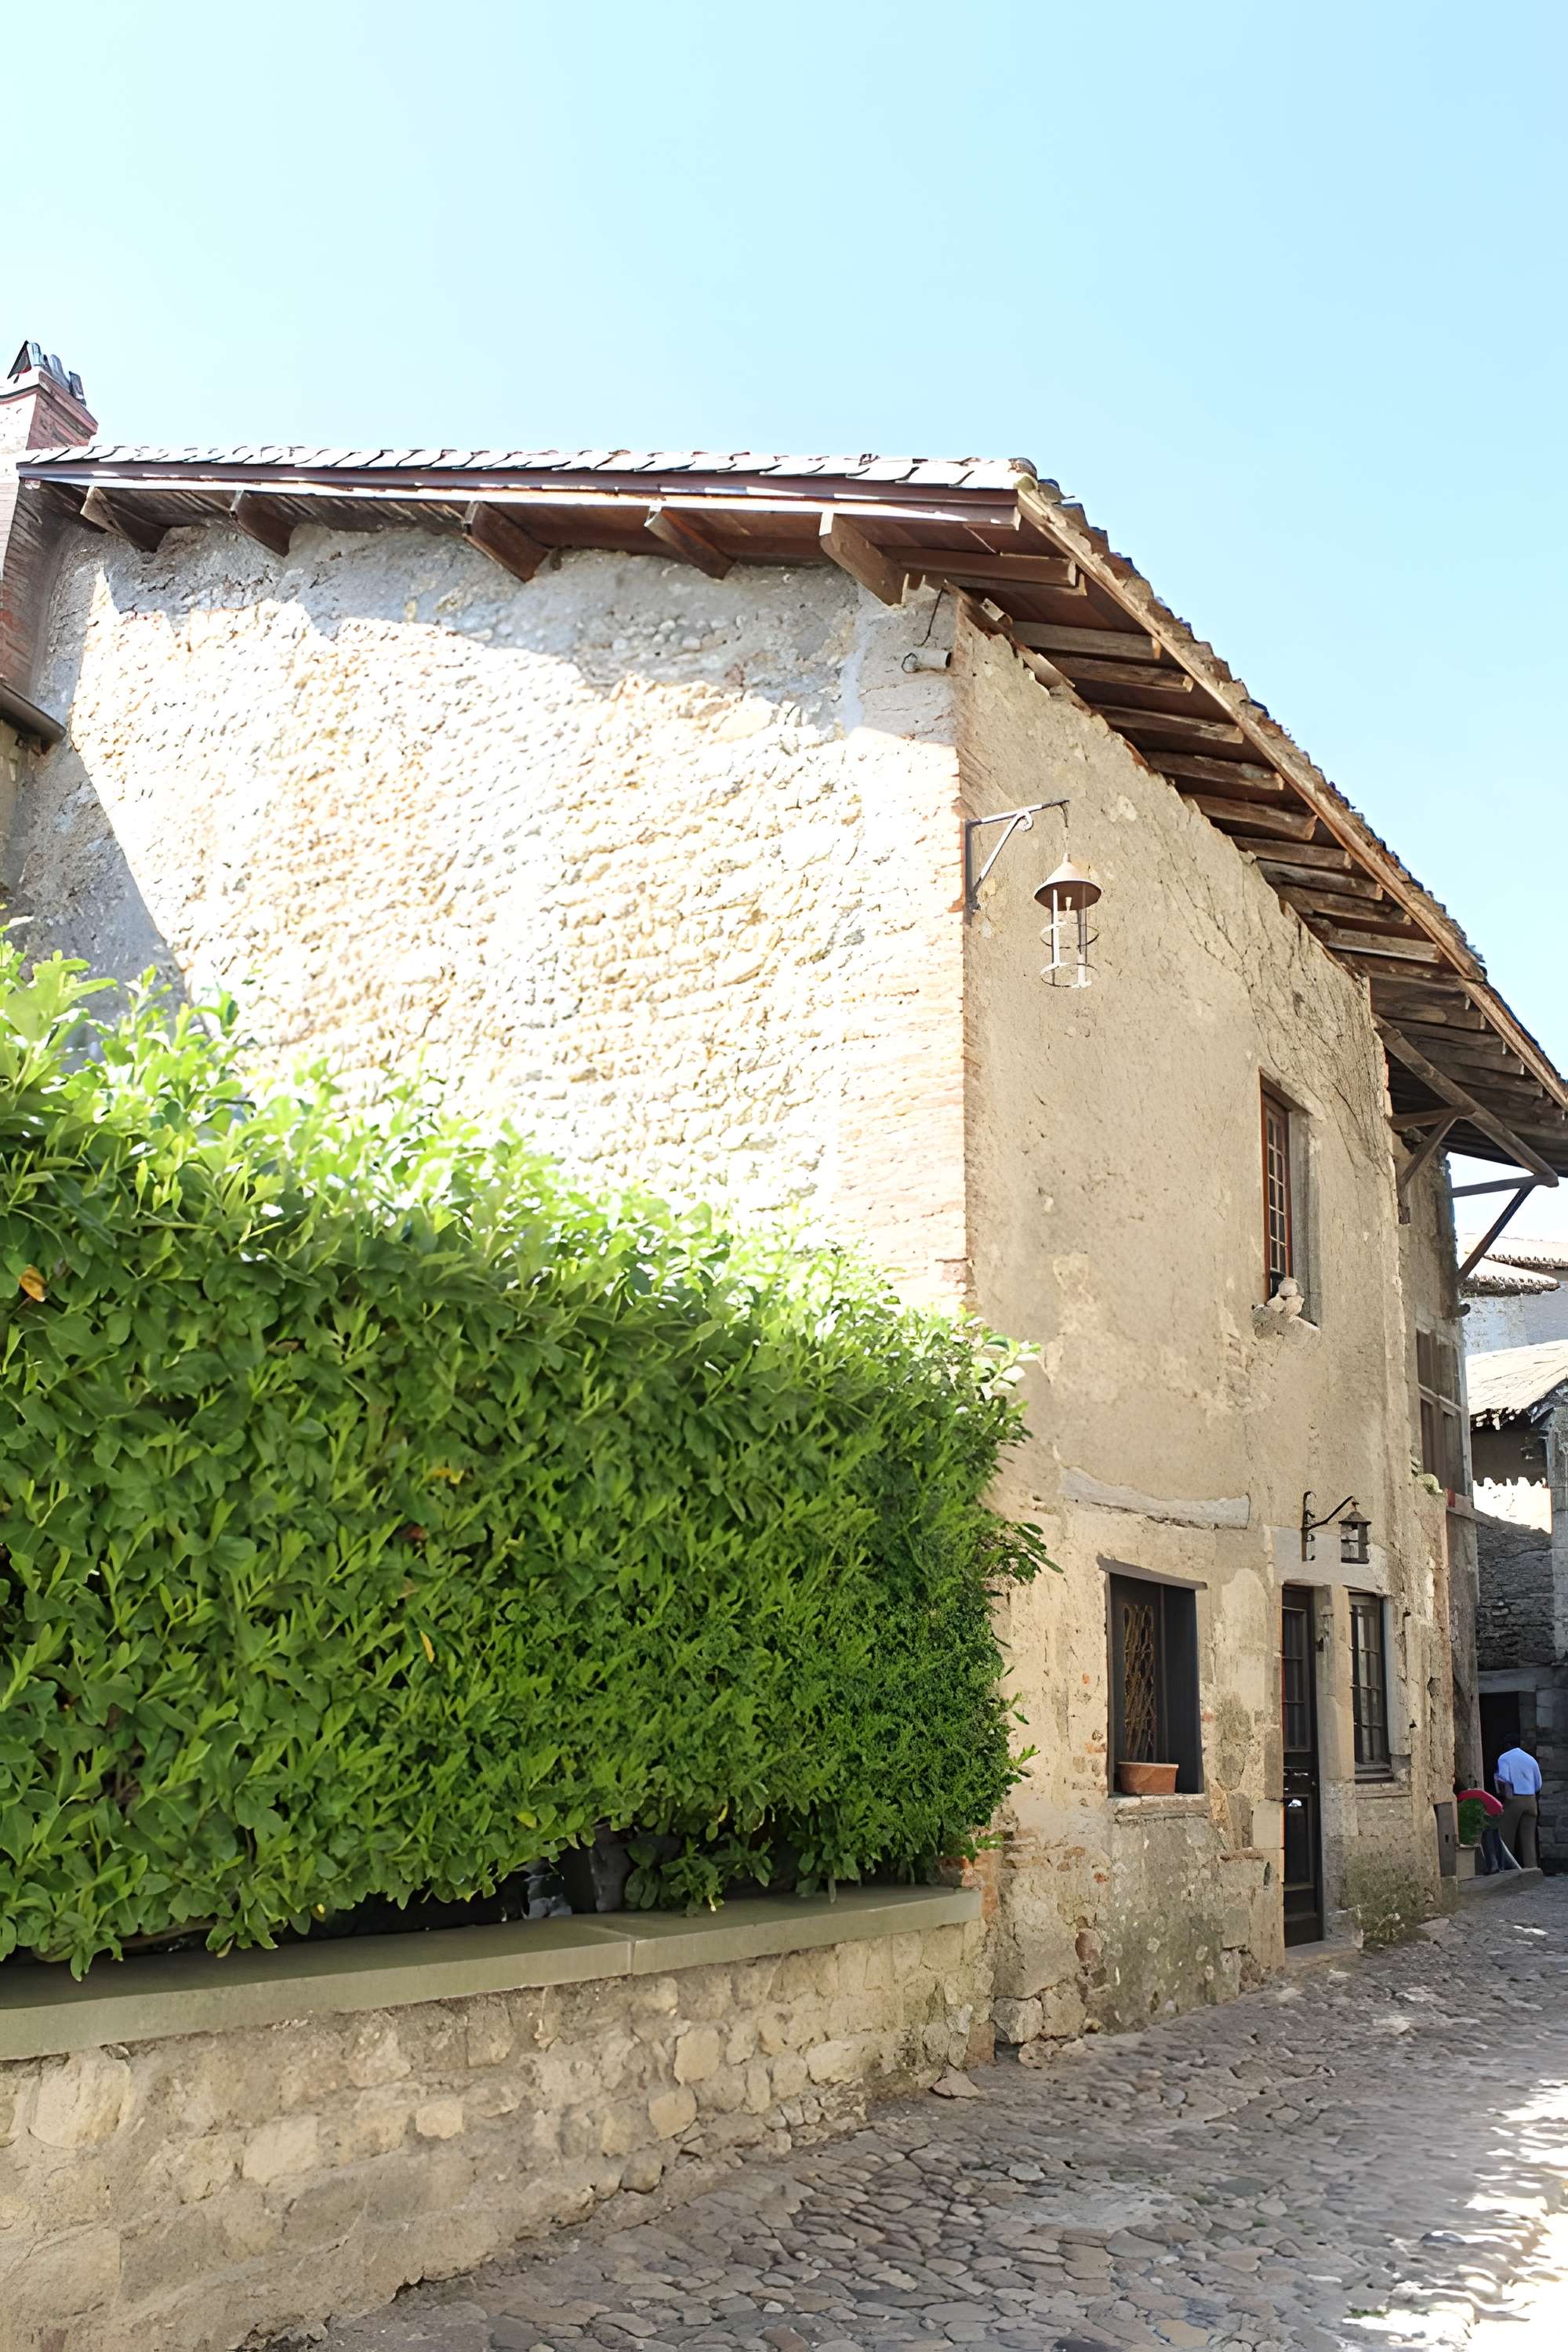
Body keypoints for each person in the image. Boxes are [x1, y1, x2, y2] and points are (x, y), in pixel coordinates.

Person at [1494, 1744, 1543, 1870]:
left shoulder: (1504, 1758)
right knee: (1529, 1840)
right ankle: (1532, 1870)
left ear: (1507, 1745)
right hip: (1531, 1800)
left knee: (1506, 1836)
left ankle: (1507, 1869)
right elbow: (1539, 1784)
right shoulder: (1531, 1759)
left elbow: (1503, 1779)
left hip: (1514, 1798)